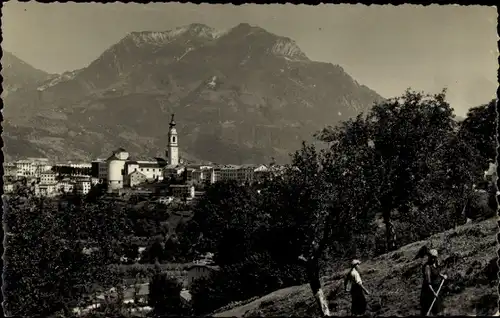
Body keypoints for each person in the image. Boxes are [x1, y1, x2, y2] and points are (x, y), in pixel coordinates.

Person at [420, 249, 444, 316]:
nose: (433, 259)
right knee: (429, 310)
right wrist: (433, 293)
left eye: (434, 257)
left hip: (437, 288)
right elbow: (428, 282)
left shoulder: (436, 263)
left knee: (438, 309)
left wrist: (442, 276)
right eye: (432, 257)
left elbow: (437, 273)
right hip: (429, 291)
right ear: (429, 257)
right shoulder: (427, 267)